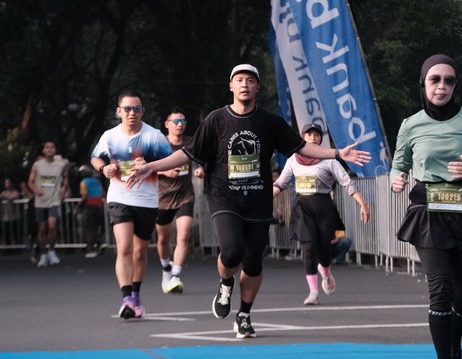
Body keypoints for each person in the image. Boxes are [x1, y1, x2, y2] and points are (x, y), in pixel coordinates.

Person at [127, 64, 371, 339]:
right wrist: (152, 167)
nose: (245, 84)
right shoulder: (216, 120)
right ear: (231, 86)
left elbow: (302, 147)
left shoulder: (270, 121)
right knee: (232, 251)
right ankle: (225, 282)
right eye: (239, 80)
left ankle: (244, 315)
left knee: (253, 263)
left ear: (257, 87)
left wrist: (337, 153)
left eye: (250, 80)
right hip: (224, 197)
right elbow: (187, 153)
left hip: (258, 200)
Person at [390, 54, 462, 359]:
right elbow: (399, 164)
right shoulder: (410, 124)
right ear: (423, 83)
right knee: (440, 290)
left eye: (448, 81)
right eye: (435, 79)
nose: (441, 86)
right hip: (427, 212)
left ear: (455, 85)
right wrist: (396, 178)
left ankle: (453, 345)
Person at [90, 90, 172, 319]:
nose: (132, 113)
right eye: (127, 109)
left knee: (139, 251)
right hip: (119, 197)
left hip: (146, 200)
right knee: (124, 247)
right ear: (119, 111)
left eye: (136, 108)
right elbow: (95, 157)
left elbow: (171, 163)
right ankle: (126, 299)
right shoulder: (110, 136)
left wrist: (150, 165)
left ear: (142, 111)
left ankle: (136, 294)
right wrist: (103, 168)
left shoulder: (154, 136)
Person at [273, 123, 370, 305]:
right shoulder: (293, 159)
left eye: (316, 135)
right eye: (309, 134)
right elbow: (280, 183)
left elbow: (347, 183)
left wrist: (363, 204)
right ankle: (313, 292)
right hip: (303, 207)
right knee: (308, 248)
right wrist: (264, 199)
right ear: (303, 137)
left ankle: (325, 271)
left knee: (324, 251)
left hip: (323, 207)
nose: (313, 138)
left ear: (320, 139)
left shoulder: (329, 160)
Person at [156, 106, 205, 294]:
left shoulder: (191, 142)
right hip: (162, 197)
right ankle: (166, 269)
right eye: (176, 121)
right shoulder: (158, 144)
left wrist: (201, 169)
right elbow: (147, 168)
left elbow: (201, 161)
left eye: (183, 121)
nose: (180, 125)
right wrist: (165, 171)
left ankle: (176, 276)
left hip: (185, 195)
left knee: (184, 235)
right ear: (167, 124)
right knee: (163, 239)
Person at [28, 142, 69, 268]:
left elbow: (65, 178)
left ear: (55, 150)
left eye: (52, 147)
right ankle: (43, 254)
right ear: (43, 151)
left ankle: (52, 251)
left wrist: (64, 188)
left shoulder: (61, 164)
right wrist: (35, 190)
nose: (49, 149)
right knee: (42, 228)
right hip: (41, 200)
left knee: (52, 225)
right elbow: (30, 181)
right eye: (47, 147)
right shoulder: (37, 165)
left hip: (54, 199)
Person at [78, 165, 105, 258]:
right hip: (99, 205)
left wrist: (79, 204)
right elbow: (103, 193)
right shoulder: (97, 181)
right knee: (98, 227)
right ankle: (99, 246)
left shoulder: (83, 182)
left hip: (89, 206)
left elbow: (85, 195)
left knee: (90, 228)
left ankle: (91, 249)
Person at [0, 178, 22, 251]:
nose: (7, 185)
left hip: (14, 216)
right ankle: (8, 249)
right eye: (6, 183)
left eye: (8, 183)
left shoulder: (15, 192)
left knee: (15, 232)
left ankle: (17, 248)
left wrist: (6, 198)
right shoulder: (3, 193)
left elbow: (15, 196)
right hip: (6, 216)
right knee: (7, 233)